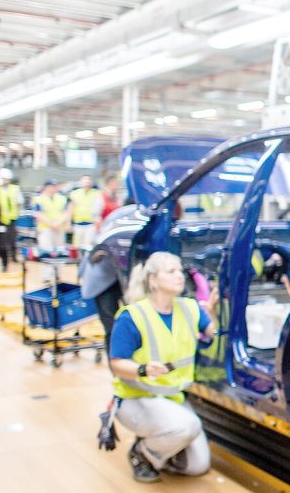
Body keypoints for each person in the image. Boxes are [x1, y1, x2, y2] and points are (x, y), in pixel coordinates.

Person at [108, 251, 215, 483]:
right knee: (188, 426)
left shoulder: (191, 308)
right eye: (171, 271)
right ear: (153, 280)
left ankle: (159, 441)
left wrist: (213, 310)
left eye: (179, 271)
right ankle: (143, 454)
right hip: (137, 398)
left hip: (173, 399)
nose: (179, 276)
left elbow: (212, 333)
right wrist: (143, 369)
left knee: (198, 465)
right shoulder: (132, 316)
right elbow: (116, 364)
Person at [33, 179, 69, 251]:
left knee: (60, 252)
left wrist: (58, 224)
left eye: (55, 186)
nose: (55, 188)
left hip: (59, 228)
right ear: (46, 187)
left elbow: (66, 213)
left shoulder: (62, 198)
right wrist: (53, 225)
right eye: (52, 186)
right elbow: (38, 214)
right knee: (46, 252)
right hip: (45, 229)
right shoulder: (38, 198)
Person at [0, 168, 23, 263]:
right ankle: (3, 258)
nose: (5, 181)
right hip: (0, 220)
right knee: (1, 240)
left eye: (6, 179)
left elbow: (19, 202)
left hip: (12, 219)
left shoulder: (15, 189)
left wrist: (18, 214)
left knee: (12, 239)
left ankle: (13, 257)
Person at [69, 175, 101, 248]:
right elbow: (70, 209)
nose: (87, 182)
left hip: (91, 225)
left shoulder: (97, 193)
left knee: (88, 246)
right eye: (84, 180)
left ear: (91, 182)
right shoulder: (74, 193)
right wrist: (68, 223)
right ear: (80, 182)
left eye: (88, 180)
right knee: (76, 247)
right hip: (78, 225)